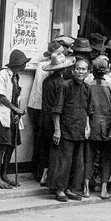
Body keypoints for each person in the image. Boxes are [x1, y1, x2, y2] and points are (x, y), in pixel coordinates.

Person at [51, 58, 92, 202]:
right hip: (66, 129)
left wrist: (87, 127)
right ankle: (60, 190)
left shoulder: (87, 88)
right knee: (64, 161)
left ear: (88, 72)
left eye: (84, 69)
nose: (81, 72)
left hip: (80, 130)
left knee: (77, 162)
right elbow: (57, 109)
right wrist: (57, 130)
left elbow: (88, 110)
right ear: (73, 71)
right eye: (78, 69)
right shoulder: (65, 86)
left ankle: (70, 189)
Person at [0, 49, 30, 188]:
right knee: (2, 146)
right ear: (17, 64)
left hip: (13, 116)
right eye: (23, 63)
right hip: (4, 114)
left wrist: (17, 112)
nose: (25, 66)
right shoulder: (2, 74)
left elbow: (16, 96)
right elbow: (1, 96)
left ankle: (4, 175)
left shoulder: (15, 76)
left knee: (11, 145)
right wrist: (15, 109)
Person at [85, 56, 111, 198]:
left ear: (92, 70)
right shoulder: (110, 83)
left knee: (89, 157)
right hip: (106, 125)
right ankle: (104, 189)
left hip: (91, 124)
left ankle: (86, 188)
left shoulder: (87, 82)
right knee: (106, 158)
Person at [27, 41, 63, 182]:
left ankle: (39, 172)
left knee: (41, 140)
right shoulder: (50, 74)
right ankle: (44, 172)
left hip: (41, 106)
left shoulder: (43, 67)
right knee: (46, 142)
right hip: (43, 107)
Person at [40, 52, 74, 190]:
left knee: (45, 147)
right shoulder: (62, 84)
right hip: (55, 119)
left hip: (45, 117)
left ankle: (43, 173)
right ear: (64, 69)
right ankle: (50, 176)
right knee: (55, 149)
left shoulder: (46, 81)